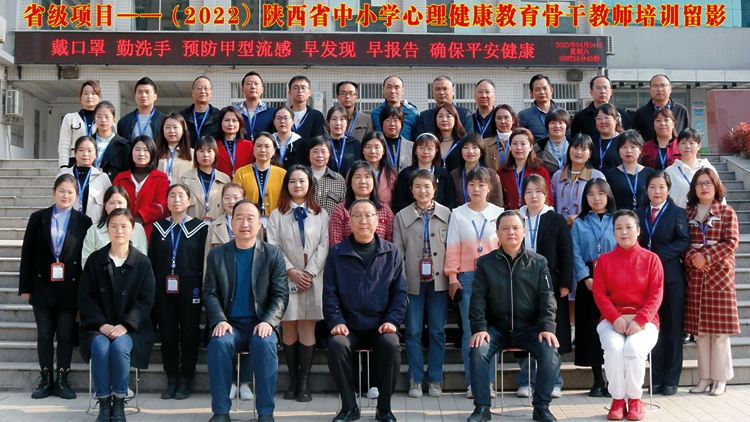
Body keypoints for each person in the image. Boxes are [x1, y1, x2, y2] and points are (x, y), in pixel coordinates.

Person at [466, 210, 560, 422]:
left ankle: (542, 408)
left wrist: (547, 326)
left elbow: (547, 298)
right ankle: (482, 408)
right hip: (496, 329)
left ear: (524, 231)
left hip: (530, 329)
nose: (511, 232)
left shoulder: (538, 263)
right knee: (478, 350)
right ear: (498, 233)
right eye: (505, 228)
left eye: (516, 228)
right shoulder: (485, 263)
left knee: (550, 352)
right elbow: (478, 299)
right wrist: (479, 328)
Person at [203, 200, 289, 422]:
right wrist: (219, 320)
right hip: (229, 324)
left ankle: (266, 412)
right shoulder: (217, 255)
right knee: (219, 344)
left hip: (260, 323)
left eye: (250, 218)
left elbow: (280, 295)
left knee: (265, 344)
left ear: (260, 224)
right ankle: (221, 412)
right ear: (231, 223)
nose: (245, 223)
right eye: (239, 218)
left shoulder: (273, 254)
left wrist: (269, 322)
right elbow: (210, 293)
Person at [324, 199, 408, 422]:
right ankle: (349, 407)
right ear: (349, 221)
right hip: (349, 326)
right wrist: (336, 321)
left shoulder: (391, 252)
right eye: (357, 216)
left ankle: (384, 408)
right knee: (336, 344)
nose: (363, 220)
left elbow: (400, 293)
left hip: (380, 325)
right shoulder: (337, 253)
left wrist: (392, 321)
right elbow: (329, 294)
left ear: (377, 220)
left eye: (368, 215)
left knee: (391, 344)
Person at [19, 174, 93, 399]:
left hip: (71, 287)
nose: (65, 195)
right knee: (44, 334)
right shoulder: (38, 218)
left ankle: (62, 379)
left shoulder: (84, 221)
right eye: (61, 190)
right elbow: (27, 253)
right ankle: (45, 379)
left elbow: (86, 257)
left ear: (77, 196)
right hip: (42, 285)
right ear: (53, 192)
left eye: (70, 192)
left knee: (65, 335)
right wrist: (25, 287)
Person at [79, 208, 155, 422]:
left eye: (124, 226)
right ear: (107, 229)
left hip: (132, 329)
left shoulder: (142, 262)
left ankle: (119, 402)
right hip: (97, 327)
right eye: (113, 226)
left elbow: (146, 300)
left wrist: (125, 325)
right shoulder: (95, 260)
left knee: (120, 347)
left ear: (133, 230)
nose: (119, 230)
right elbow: (85, 297)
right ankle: (104, 403)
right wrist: (101, 324)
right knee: (100, 346)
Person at [267, 165, 330, 402]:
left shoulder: (321, 214)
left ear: (310, 185)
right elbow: (273, 246)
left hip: (312, 279)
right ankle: (293, 381)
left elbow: (324, 245)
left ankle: (304, 383)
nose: (297, 185)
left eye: (302, 181)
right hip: (286, 278)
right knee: (289, 326)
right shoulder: (277, 215)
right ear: (286, 186)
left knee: (307, 326)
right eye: (292, 181)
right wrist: (291, 270)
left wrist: (309, 272)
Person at [594, 209, 664, 421]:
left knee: (633, 348)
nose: (624, 232)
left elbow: (656, 294)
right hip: (611, 320)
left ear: (638, 230)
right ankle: (617, 400)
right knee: (615, 349)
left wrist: (640, 320)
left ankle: (634, 399)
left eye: (629, 227)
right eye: (619, 228)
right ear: (613, 232)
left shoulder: (651, 259)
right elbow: (599, 293)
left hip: (645, 321)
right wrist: (614, 318)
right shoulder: (604, 261)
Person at [444, 166, 504, 399]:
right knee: (471, 331)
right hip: (467, 278)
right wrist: (452, 277)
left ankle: (489, 382)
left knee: (491, 331)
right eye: (471, 184)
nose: (476, 189)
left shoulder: (499, 213)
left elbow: (505, 247)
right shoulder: (458, 214)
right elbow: (453, 246)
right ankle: (473, 383)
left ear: (489, 188)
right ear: (465, 187)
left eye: (481, 185)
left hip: (495, 278)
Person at [394, 170, 451, 398]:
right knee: (413, 333)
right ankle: (415, 379)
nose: (422, 191)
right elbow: (398, 252)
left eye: (427, 186)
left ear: (435, 188)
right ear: (411, 190)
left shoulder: (447, 214)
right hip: (412, 283)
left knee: (437, 332)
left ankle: (435, 378)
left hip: (439, 283)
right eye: (417, 186)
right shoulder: (402, 216)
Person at [515, 175, 573, 400]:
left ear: (546, 194)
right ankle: (526, 381)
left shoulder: (555, 219)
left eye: (538, 191)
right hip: (520, 284)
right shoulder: (515, 217)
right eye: (529, 191)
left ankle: (554, 381)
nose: (533, 196)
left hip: (550, 283)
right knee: (524, 330)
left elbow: (566, 252)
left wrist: (565, 282)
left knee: (551, 333)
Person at [149, 184, 209, 400]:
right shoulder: (158, 228)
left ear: (189, 201)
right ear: (166, 201)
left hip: (191, 285)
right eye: (172, 196)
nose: (176, 200)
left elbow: (203, 261)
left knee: (189, 332)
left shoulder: (200, 228)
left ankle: (186, 378)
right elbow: (152, 259)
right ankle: (172, 377)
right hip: (163, 285)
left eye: (181, 196)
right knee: (168, 333)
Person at [684, 168, 740, 397]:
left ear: (716, 186)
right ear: (694, 188)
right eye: (699, 183)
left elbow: (732, 242)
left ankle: (721, 378)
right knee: (700, 332)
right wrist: (692, 257)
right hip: (695, 275)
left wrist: (706, 256)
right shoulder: (687, 212)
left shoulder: (726, 212)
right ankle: (704, 377)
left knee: (719, 332)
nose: (703, 187)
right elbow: (681, 241)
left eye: (708, 183)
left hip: (719, 276)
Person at [635, 171, 690, 396]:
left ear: (668, 189)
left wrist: (657, 255)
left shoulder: (677, 213)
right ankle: (655, 378)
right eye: (652, 187)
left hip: (671, 277)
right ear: (646, 190)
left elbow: (684, 241)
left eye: (661, 187)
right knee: (652, 328)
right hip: (645, 279)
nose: (657, 191)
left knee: (673, 329)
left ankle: (671, 380)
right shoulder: (638, 213)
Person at [202, 182, 256, 401]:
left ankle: (245, 382)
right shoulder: (213, 226)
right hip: (223, 295)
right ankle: (231, 381)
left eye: (236, 197)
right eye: (227, 197)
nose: (231, 201)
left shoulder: (253, 224)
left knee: (254, 331)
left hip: (247, 290)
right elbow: (207, 260)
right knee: (223, 336)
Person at [571, 178, 617, 397]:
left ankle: (613, 381)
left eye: (600, 193)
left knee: (613, 328)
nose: (596, 198)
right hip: (588, 280)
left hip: (614, 279)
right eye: (591, 194)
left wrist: (614, 278)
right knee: (591, 330)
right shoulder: (579, 223)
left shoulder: (617, 219)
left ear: (608, 195)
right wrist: (585, 277)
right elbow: (575, 252)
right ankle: (597, 380)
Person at [112, 135, 170, 240]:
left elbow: (162, 205)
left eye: (146, 150)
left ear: (152, 153)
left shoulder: (161, 178)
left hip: (151, 232)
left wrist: (141, 217)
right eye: (137, 149)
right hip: (122, 232)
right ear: (131, 152)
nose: (141, 154)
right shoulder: (121, 178)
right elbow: (113, 202)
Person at [328, 161, 394, 246]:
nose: (363, 181)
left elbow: (390, 242)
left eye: (367, 177)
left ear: (374, 182)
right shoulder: (340, 210)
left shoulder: (385, 210)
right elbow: (336, 243)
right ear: (350, 182)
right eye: (357, 177)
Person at [82, 186, 149, 268]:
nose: (116, 207)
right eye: (111, 203)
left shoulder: (138, 229)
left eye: (120, 203)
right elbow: (86, 261)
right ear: (105, 206)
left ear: (127, 205)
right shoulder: (94, 230)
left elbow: (142, 260)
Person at [551, 134, 606, 227]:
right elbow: (552, 202)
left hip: (587, 227)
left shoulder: (597, 176)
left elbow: (602, 206)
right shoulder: (558, 176)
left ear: (590, 154)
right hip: (560, 228)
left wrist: (580, 217)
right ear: (569, 150)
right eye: (575, 148)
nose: (579, 152)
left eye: (583, 149)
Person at [392, 133, 456, 213]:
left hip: (439, 218)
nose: (425, 152)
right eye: (421, 148)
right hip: (411, 217)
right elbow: (400, 201)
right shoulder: (405, 174)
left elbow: (450, 201)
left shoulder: (444, 175)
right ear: (415, 151)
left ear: (436, 151)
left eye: (430, 148)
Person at [57, 135, 112, 222]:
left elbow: (109, 203)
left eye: (89, 151)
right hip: (68, 225)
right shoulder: (63, 175)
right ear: (75, 153)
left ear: (95, 154)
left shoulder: (102, 177)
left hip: (94, 226)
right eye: (81, 150)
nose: (85, 154)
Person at [234, 132, 287, 219]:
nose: (262, 150)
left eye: (267, 146)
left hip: (276, 220)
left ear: (274, 150)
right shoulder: (241, 173)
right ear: (253, 149)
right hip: (248, 220)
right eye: (258, 146)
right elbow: (237, 200)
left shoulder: (282, 174)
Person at [498, 128, 553, 210]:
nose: (518, 148)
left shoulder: (541, 171)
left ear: (531, 147)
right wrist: (510, 211)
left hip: (534, 215)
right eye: (515, 143)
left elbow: (548, 199)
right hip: (510, 215)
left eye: (523, 144)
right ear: (509, 147)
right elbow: (498, 200)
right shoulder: (501, 172)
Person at [180, 136, 231, 222]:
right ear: (195, 154)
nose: (205, 155)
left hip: (217, 227)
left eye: (209, 151)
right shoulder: (185, 179)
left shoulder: (225, 179)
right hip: (192, 227)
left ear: (215, 153)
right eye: (201, 151)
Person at [665, 128, 721, 208]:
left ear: (699, 146)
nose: (687, 146)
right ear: (678, 147)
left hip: (706, 214)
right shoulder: (670, 171)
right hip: (679, 214)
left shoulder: (709, 169)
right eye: (683, 143)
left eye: (692, 143)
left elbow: (719, 194)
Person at [632, 74, 690, 143]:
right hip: (650, 149)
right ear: (650, 90)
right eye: (655, 86)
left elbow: (688, 134)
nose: (659, 89)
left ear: (670, 89)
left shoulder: (681, 110)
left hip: (676, 149)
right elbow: (636, 139)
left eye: (663, 85)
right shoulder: (641, 113)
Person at [605, 130, 655, 210]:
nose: (628, 151)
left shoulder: (650, 173)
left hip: (645, 216)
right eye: (624, 147)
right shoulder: (610, 174)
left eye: (633, 147)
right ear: (618, 150)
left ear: (640, 149)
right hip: (619, 216)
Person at [570, 75, 631, 141]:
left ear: (611, 92)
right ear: (591, 92)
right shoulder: (580, 116)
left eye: (605, 87)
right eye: (598, 88)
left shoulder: (622, 114)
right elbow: (575, 141)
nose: (602, 91)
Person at [450, 133, 503, 208]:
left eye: (474, 147)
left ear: (481, 152)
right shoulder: (454, 174)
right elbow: (451, 201)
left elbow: (498, 202)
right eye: (466, 147)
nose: (470, 151)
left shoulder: (491, 174)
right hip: (461, 213)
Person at [58, 80, 101, 167]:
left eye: (93, 93)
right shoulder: (70, 118)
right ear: (80, 97)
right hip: (75, 163)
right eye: (86, 93)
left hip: (98, 163)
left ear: (99, 97)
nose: (89, 96)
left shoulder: (104, 119)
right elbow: (64, 145)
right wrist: (63, 166)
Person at [518, 74, 568, 141]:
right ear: (531, 93)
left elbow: (569, 137)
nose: (542, 92)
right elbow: (520, 139)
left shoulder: (563, 113)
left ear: (551, 90)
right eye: (537, 89)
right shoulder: (524, 115)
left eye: (545, 88)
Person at [92, 101, 131, 182]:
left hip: (113, 187)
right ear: (94, 118)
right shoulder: (87, 142)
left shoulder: (123, 145)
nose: (103, 120)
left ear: (114, 119)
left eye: (107, 117)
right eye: (99, 116)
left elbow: (126, 173)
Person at [117, 77, 165, 142]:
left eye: (147, 92)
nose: (143, 95)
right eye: (140, 92)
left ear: (155, 96)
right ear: (135, 96)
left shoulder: (164, 120)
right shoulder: (124, 122)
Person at [307, 136, 347, 216]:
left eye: (323, 151)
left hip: (331, 223)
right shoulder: (301, 177)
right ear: (308, 154)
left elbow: (344, 208)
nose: (319, 155)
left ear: (329, 154)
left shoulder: (339, 180)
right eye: (315, 151)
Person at [371, 75, 419, 141]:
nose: (392, 91)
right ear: (383, 90)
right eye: (389, 87)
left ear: (402, 91)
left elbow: (417, 140)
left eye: (397, 88)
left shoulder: (413, 113)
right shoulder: (375, 113)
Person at [215, 105, 254, 179]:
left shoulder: (250, 146)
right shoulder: (213, 145)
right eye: (226, 120)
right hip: (219, 183)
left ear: (240, 123)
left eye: (234, 120)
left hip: (243, 183)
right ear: (220, 122)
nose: (230, 124)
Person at [361, 131, 398, 210]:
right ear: (363, 150)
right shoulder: (354, 172)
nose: (372, 151)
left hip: (386, 216)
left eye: (377, 147)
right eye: (368, 147)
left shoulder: (392, 174)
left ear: (384, 150)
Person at [180, 76, 221, 144]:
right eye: (199, 88)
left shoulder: (218, 116)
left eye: (206, 88)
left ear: (211, 93)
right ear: (192, 92)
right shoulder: (183, 116)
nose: (202, 91)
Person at [236, 71, 276, 141]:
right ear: (242, 89)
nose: (253, 87)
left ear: (262, 89)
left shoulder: (272, 112)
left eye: (256, 84)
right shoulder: (234, 112)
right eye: (248, 84)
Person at [156, 112, 194, 184]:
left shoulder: (193, 154)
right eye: (167, 127)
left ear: (183, 130)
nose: (171, 131)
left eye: (175, 127)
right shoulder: (154, 153)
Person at [326, 105, 362, 178]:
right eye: (334, 119)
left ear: (346, 123)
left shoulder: (355, 144)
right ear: (328, 122)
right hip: (327, 184)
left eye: (342, 119)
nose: (338, 123)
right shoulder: (323, 144)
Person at [482, 104, 519, 171]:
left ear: (513, 120)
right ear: (494, 121)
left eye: (506, 117)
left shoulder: (520, 143)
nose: (503, 122)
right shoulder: (485, 144)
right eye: (499, 118)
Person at [288, 75, 325, 142]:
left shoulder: (316, 116)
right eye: (295, 88)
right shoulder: (283, 115)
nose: (300, 91)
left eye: (303, 88)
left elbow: (319, 140)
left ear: (309, 93)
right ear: (290, 92)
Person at [535, 109, 571, 175]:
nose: (557, 126)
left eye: (561, 122)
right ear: (547, 126)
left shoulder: (573, 145)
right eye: (553, 123)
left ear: (567, 126)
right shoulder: (538, 147)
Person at [434, 102, 468, 173]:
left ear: (455, 119)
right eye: (440, 116)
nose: (444, 119)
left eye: (448, 116)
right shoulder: (431, 141)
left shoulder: (463, 142)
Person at [591, 103, 625, 173]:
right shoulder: (591, 141)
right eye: (599, 118)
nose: (603, 121)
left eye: (606, 118)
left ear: (616, 120)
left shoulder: (624, 140)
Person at [379, 105, 415, 170]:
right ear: (382, 123)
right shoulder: (376, 145)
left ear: (401, 123)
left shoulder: (411, 146)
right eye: (388, 120)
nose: (392, 124)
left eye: (396, 120)